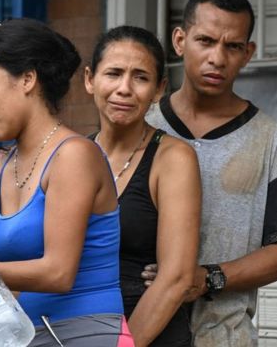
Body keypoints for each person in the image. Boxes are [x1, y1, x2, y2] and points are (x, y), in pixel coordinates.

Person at [0, 18, 129, 346]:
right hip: (26, 336)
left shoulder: (74, 155)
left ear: (28, 79)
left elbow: (58, 273)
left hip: (86, 334)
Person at [143, 0, 277, 345]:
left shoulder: (275, 142)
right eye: (205, 41)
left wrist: (208, 277)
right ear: (179, 40)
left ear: (248, 53)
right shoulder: (142, 126)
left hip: (223, 336)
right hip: (135, 328)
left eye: (232, 46)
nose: (217, 58)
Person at [84, 25, 201, 346]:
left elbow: (175, 279)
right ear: (89, 79)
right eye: (113, 73)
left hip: (149, 333)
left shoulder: (173, 158)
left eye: (140, 77)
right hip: (76, 331)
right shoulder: (71, 156)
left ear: (159, 89)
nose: (124, 88)